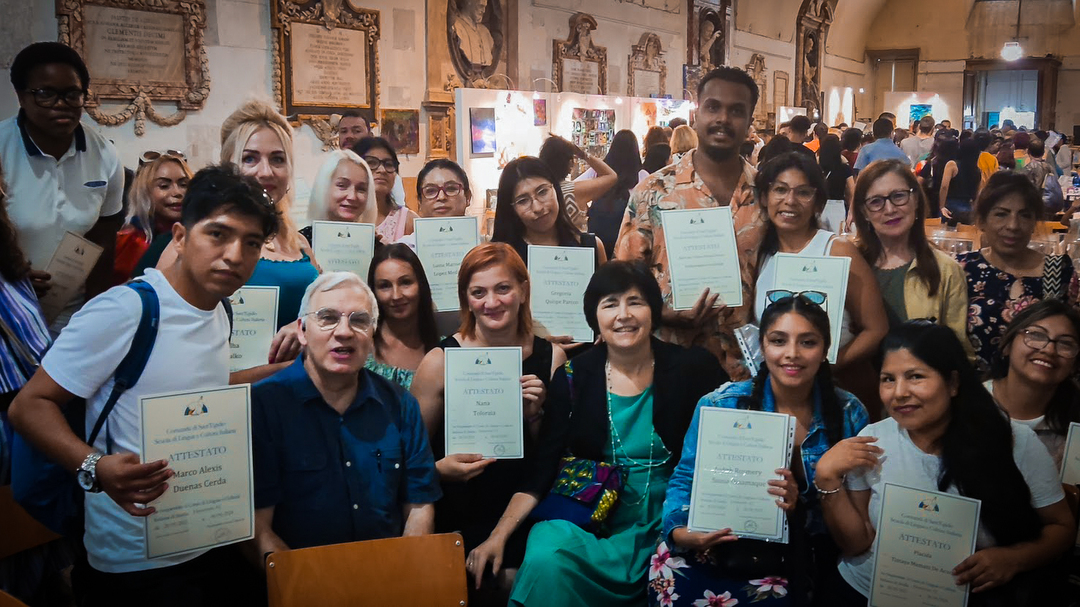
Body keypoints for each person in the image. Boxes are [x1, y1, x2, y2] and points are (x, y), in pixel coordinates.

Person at [8, 164, 280, 605]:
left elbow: (192, 391)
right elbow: (30, 405)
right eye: (218, 234)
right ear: (179, 236)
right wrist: (95, 466)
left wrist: (281, 370)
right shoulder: (126, 310)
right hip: (133, 560)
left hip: (208, 535)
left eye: (251, 243)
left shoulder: (220, 310)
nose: (234, 255)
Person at [510, 261, 728, 607]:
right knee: (546, 553)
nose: (623, 315)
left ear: (653, 312)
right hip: (594, 515)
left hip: (671, 516)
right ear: (594, 316)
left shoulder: (694, 368)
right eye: (610, 304)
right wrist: (496, 537)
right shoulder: (573, 376)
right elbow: (542, 470)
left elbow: (729, 441)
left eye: (635, 302)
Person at [817, 321, 1076, 604]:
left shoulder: (1014, 442)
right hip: (867, 589)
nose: (899, 392)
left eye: (915, 376)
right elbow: (857, 544)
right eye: (888, 379)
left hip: (961, 595)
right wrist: (826, 478)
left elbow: (1061, 529)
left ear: (953, 383)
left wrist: (1013, 559)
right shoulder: (873, 440)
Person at [654, 295, 869, 606]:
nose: (791, 354)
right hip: (719, 544)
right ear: (762, 346)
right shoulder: (722, 404)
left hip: (803, 555)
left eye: (807, 342)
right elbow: (685, 478)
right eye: (778, 341)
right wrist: (681, 532)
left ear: (825, 350)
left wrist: (798, 511)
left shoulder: (850, 413)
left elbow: (856, 519)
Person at [410, 243, 567, 606]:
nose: (491, 302)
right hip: (458, 506)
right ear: (466, 299)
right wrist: (438, 471)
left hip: (526, 505)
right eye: (478, 292)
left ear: (523, 291)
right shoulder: (439, 361)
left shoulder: (551, 358)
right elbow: (408, 459)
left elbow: (552, 459)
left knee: (524, 577)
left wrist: (536, 415)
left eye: (503, 288)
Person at [248, 271, 441, 558]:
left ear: (372, 333)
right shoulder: (263, 406)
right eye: (327, 317)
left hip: (387, 577)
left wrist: (404, 576)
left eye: (359, 320)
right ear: (302, 330)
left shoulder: (400, 405)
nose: (344, 332)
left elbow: (419, 505)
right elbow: (256, 527)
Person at [616, 66, 765, 380]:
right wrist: (664, 314)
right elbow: (622, 282)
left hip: (747, 371)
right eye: (713, 107)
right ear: (697, 113)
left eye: (737, 111)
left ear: (750, 122)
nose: (723, 118)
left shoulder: (768, 195)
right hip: (666, 364)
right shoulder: (653, 192)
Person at [1, 42, 125, 331]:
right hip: (8, 311)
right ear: (21, 96)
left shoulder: (104, 154)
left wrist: (95, 319)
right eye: (45, 94)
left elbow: (103, 243)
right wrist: (10, 277)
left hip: (72, 316)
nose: (61, 104)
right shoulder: (2, 148)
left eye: (72, 94)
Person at [752, 152, 889, 410]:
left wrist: (825, 364)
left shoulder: (837, 250)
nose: (789, 201)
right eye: (780, 190)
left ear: (818, 203)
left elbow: (876, 329)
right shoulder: (760, 255)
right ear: (764, 197)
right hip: (778, 396)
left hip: (837, 394)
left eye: (803, 192)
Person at [959, 172, 1079, 374]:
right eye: (1001, 214)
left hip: (1038, 396)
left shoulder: (1058, 271)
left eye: (1024, 215)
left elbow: (1070, 342)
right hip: (974, 397)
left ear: (1034, 222)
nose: (1013, 226)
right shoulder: (963, 269)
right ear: (982, 220)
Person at [850, 160, 972, 356]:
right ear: (863, 212)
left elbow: (956, 352)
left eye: (898, 196)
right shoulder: (848, 263)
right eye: (876, 201)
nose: (889, 209)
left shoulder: (946, 270)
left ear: (915, 199)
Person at [986, 299, 1080, 470]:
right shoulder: (965, 403)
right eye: (1036, 335)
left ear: (1074, 364)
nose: (1049, 350)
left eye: (1065, 343)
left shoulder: (1074, 427)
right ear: (1007, 345)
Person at [492, 156, 607, 266]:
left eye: (542, 192)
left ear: (556, 189)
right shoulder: (499, 259)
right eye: (523, 201)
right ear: (511, 208)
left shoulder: (590, 247)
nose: (537, 208)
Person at [364, 244, 440, 390]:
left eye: (405, 283)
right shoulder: (361, 347)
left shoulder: (445, 350)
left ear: (421, 285)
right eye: (385, 285)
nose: (396, 295)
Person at [114, 153, 192, 285]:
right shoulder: (130, 241)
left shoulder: (200, 236)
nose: (177, 192)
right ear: (145, 192)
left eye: (183, 184)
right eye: (164, 186)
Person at [583, 130, 646, 259]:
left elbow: (574, 188)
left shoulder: (597, 172)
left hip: (598, 235)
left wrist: (586, 209)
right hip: (627, 238)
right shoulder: (642, 176)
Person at [539, 135, 617, 232]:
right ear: (570, 163)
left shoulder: (539, 192)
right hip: (576, 245)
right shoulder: (575, 190)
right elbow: (611, 176)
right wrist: (583, 155)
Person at [299, 149, 377, 244]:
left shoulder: (373, 245)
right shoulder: (299, 243)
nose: (352, 196)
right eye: (342, 186)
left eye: (361, 189)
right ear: (324, 187)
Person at [352, 136, 417, 244]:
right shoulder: (344, 216)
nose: (382, 170)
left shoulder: (408, 221)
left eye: (388, 164)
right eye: (372, 163)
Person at [939, 138, 983, 225]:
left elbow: (944, 186)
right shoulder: (977, 170)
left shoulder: (952, 165)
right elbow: (977, 193)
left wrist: (941, 206)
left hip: (950, 205)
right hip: (967, 208)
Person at [817, 134, 853, 233]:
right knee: (836, 239)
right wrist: (851, 212)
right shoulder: (844, 168)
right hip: (837, 206)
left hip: (819, 205)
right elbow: (852, 191)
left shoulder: (816, 168)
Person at [1023, 137, 1063, 213]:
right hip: (1048, 206)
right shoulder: (1049, 168)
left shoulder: (1028, 169)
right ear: (1044, 152)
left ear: (1028, 152)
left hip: (1032, 208)